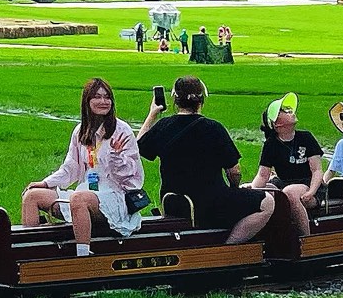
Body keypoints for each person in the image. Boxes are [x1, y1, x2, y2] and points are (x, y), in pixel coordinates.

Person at [21, 79, 146, 252]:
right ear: (87, 101)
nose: (103, 101)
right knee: (32, 196)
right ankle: (31, 251)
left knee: (79, 199)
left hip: (114, 197)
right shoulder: (81, 131)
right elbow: (70, 167)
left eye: (107, 97)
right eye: (97, 97)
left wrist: (117, 157)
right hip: (84, 192)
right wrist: (46, 183)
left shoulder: (122, 131)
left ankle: (83, 256)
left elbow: (132, 180)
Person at [138, 76, 243, 229]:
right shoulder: (214, 128)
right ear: (202, 100)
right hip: (212, 204)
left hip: (172, 202)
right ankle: (230, 244)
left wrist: (152, 114)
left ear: (175, 99)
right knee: (266, 203)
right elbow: (234, 171)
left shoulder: (164, 126)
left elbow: (138, 146)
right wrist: (235, 189)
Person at [228, 94, 322, 246]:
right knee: (257, 190)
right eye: (284, 111)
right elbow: (263, 175)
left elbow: (317, 170)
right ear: (277, 124)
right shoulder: (271, 144)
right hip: (283, 183)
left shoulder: (306, 138)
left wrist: (312, 191)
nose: (290, 111)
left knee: (290, 193)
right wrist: (250, 191)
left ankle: (305, 241)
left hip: (308, 185)